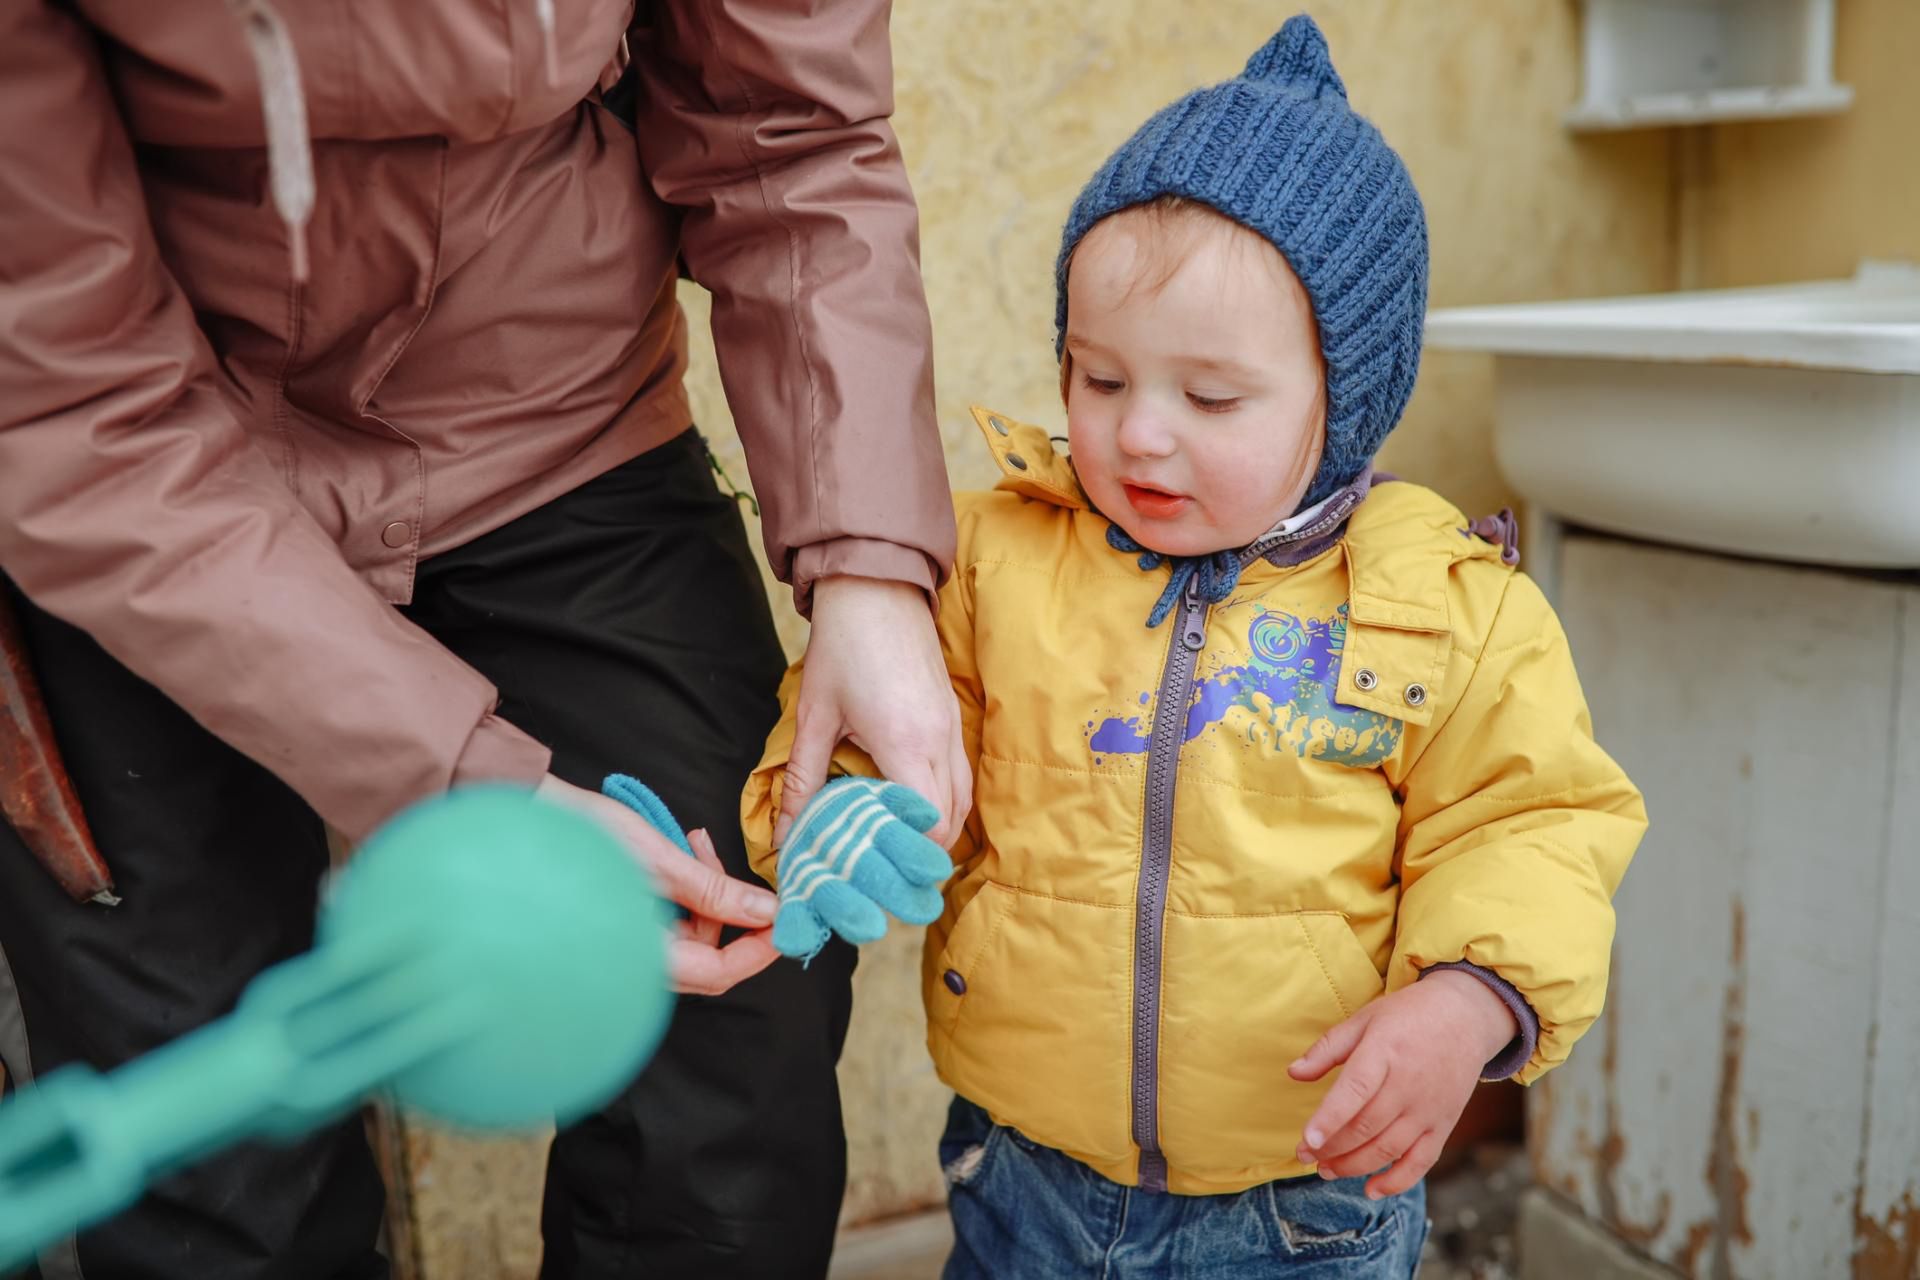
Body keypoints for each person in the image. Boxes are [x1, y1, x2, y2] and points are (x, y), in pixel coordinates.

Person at [0, 2, 964, 1277]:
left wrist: (867, 567)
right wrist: (464, 781)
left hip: (552, 415)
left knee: (740, 1037)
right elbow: (69, 396)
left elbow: (786, 126)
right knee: (207, 1144)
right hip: (129, 477)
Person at [740, 16, 1647, 1278]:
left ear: (1346, 399)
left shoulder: (1442, 602)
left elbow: (1531, 825)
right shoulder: (996, 561)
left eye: (1210, 398)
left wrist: (1467, 998)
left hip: (1303, 1199)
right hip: (1022, 1170)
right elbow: (876, 721)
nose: (1141, 436)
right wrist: (840, 815)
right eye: (1099, 378)